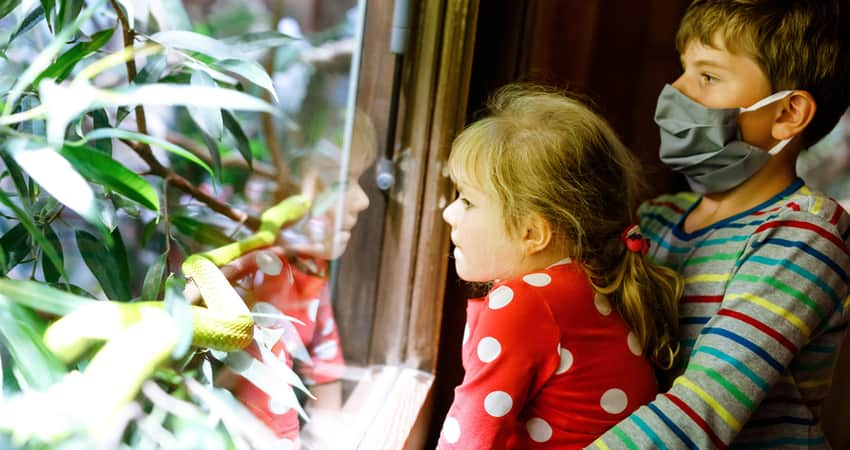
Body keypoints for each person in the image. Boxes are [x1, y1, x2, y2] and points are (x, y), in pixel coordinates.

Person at [589, 1, 850, 448]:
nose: (675, 89)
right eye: (684, 69)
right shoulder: (657, 218)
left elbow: (700, 411)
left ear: (787, 114)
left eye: (707, 76)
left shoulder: (803, 237)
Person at [437, 84, 683, 449]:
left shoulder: (524, 303)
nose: (449, 213)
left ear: (532, 233)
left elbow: (471, 435)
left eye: (468, 202)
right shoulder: (587, 280)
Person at [218, 109, 376, 447]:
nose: (362, 201)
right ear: (292, 187)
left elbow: (324, 353)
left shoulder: (310, 264)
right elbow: (260, 392)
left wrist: (328, 433)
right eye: (339, 182)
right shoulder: (264, 271)